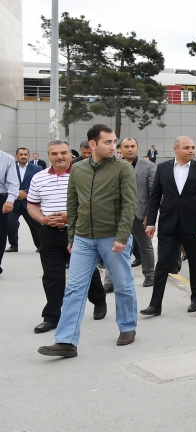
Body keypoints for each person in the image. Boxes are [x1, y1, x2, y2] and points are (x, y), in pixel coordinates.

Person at [38, 125, 138, 357]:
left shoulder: (123, 168)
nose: (113, 146)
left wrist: (122, 237)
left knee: (123, 285)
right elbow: (72, 204)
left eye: (114, 141)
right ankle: (66, 341)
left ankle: (127, 327)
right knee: (74, 289)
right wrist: (72, 236)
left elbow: (129, 205)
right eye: (108, 142)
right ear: (93, 144)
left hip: (112, 237)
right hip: (83, 239)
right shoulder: (78, 169)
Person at [28, 140, 107, 333]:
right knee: (52, 275)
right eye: (54, 154)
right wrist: (43, 219)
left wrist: (71, 216)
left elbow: (95, 204)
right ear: (48, 156)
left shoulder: (84, 175)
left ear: (71, 154)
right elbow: (32, 204)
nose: (60, 157)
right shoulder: (39, 178)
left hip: (79, 232)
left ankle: (99, 300)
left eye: (63, 152)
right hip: (49, 234)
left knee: (87, 273)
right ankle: (51, 316)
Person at [141, 136, 196, 316]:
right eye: (187, 147)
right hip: (168, 225)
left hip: (194, 225)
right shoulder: (163, 168)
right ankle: (155, 304)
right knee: (162, 263)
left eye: (193, 147)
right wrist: (151, 222)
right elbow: (155, 197)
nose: (191, 150)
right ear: (175, 149)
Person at [103, 138, 156, 290]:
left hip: (140, 213)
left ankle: (149, 275)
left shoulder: (148, 166)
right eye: (126, 147)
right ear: (120, 149)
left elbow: (153, 193)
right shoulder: (112, 166)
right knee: (113, 246)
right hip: (118, 214)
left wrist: (149, 215)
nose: (130, 149)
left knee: (145, 246)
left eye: (133, 146)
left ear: (138, 148)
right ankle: (109, 281)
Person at [8, 147, 43, 252]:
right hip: (14, 202)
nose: (23, 156)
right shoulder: (10, 167)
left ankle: (40, 246)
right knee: (11, 223)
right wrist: (17, 192)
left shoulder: (37, 169)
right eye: (21, 154)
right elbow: (7, 181)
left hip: (30, 203)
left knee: (36, 225)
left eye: (25, 154)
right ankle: (13, 245)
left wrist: (26, 192)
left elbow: (39, 183)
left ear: (29, 156)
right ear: (16, 156)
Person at [0, 136, 23, 275]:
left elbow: (13, 182)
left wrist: (10, 200)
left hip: (1, 198)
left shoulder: (7, 159)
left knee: (0, 233)